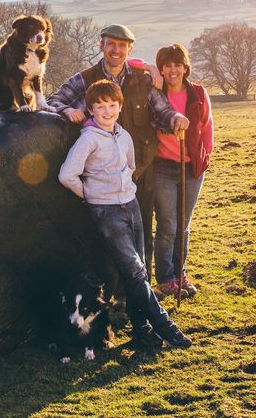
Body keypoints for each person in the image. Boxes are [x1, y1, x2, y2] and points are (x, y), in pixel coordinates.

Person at [58, 79, 193, 349]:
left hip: (130, 205)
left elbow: (130, 165)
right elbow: (66, 175)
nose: (107, 111)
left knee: (137, 271)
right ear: (91, 109)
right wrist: (90, 194)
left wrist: (125, 188)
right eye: (100, 106)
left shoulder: (124, 136)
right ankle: (165, 325)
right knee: (135, 270)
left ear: (120, 106)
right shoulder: (88, 139)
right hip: (106, 212)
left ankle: (141, 328)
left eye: (112, 105)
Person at [48, 24, 189, 279]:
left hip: (141, 169)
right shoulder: (84, 78)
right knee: (102, 231)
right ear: (101, 46)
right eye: (111, 44)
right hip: (100, 175)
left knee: (143, 228)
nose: (116, 50)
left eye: (122, 46)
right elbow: (52, 101)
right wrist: (68, 111)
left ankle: (139, 286)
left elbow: (162, 110)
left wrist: (176, 119)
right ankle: (109, 287)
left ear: (129, 49)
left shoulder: (144, 79)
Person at [150, 44, 213, 299]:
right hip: (163, 167)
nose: (172, 70)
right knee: (168, 225)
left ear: (185, 68)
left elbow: (207, 127)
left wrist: (204, 156)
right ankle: (165, 280)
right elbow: (131, 63)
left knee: (183, 226)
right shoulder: (155, 93)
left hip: (192, 168)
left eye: (177, 64)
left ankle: (180, 274)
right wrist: (147, 67)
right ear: (161, 69)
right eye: (167, 65)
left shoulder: (198, 93)